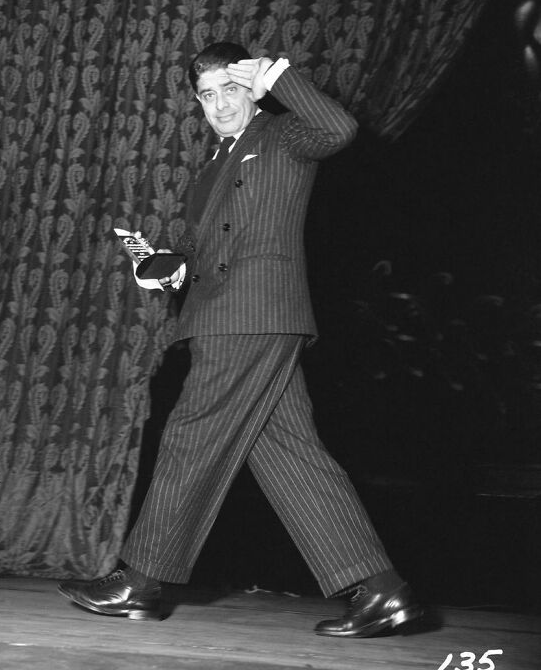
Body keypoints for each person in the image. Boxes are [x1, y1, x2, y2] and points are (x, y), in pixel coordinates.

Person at [59, 42, 423, 637]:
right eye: (207, 95)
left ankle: (141, 581)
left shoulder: (283, 135)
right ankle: (381, 591)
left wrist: (277, 76)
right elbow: (201, 247)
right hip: (230, 313)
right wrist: (167, 267)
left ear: (251, 90)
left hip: (251, 312)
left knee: (191, 434)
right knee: (290, 455)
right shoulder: (212, 164)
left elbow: (339, 128)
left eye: (230, 89)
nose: (220, 104)